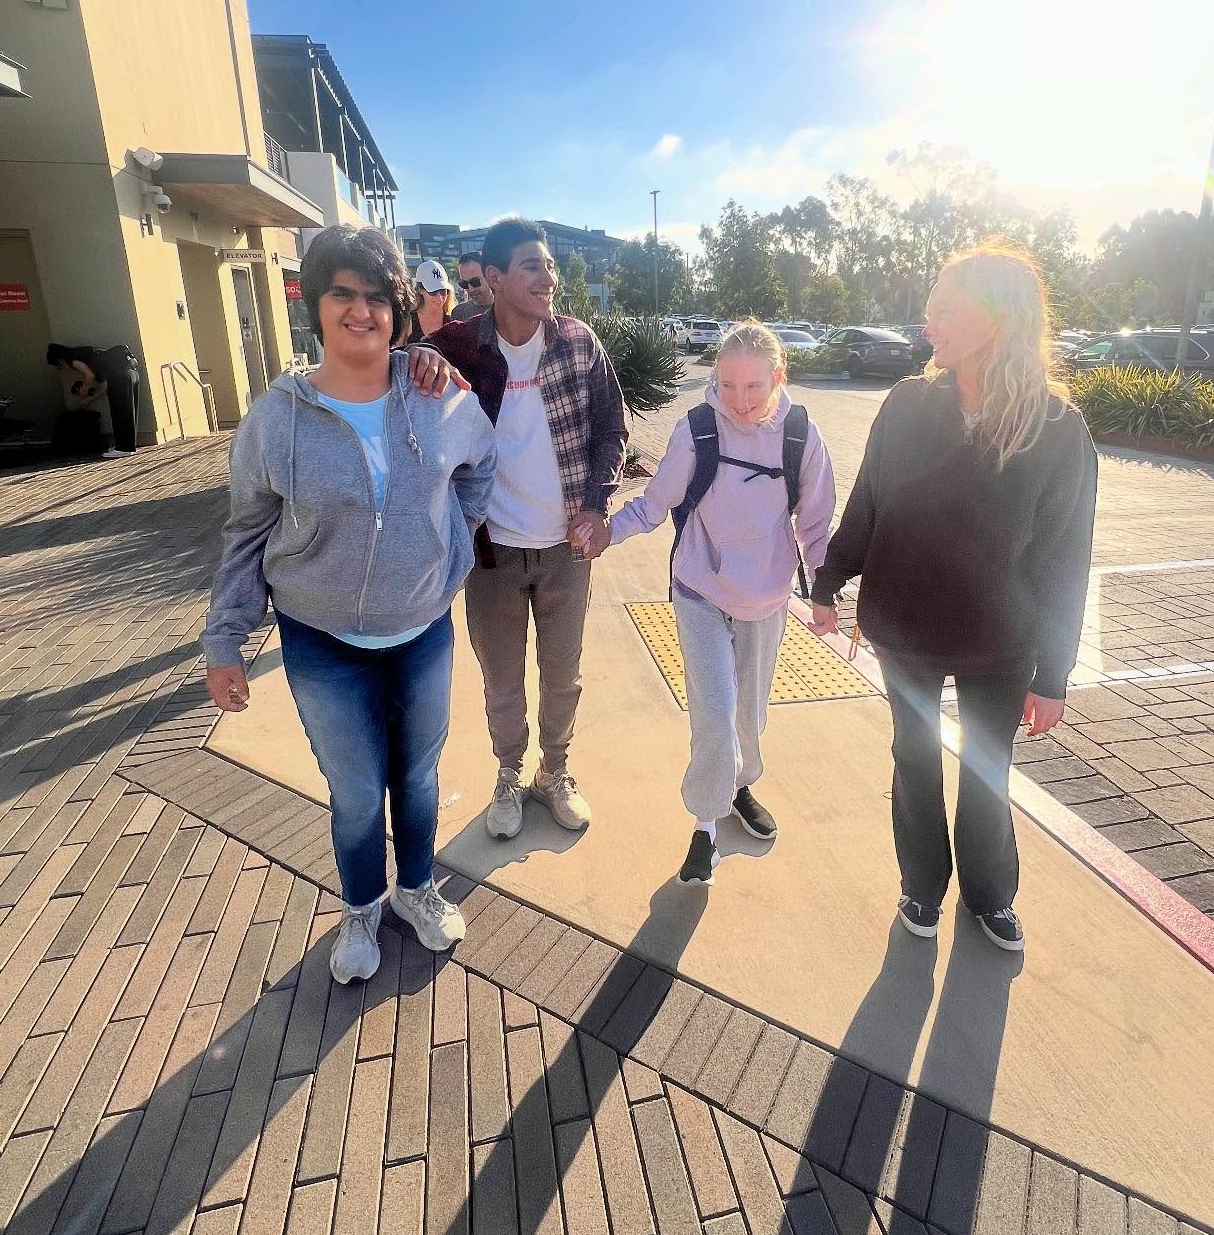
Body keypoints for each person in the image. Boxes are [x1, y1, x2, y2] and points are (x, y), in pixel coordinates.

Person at [203, 224, 497, 983]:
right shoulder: (278, 415)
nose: (359, 310)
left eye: (376, 296)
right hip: (322, 637)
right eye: (342, 292)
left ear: (398, 310)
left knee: (420, 776)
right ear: (317, 302)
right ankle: (362, 905)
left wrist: (449, 543)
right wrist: (225, 639)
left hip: (422, 625)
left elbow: (481, 467)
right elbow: (247, 527)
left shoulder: (440, 395)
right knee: (358, 789)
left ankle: (417, 891)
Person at [811, 246, 1096, 952]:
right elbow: (869, 501)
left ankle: (991, 895)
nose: (927, 322)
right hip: (904, 627)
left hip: (1001, 641)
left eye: (945, 309)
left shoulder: (1058, 429)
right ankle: (922, 885)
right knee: (914, 758)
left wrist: (1053, 677)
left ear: (998, 321)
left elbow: (1067, 561)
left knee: (986, 770)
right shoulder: (909, 403)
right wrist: (828, 580)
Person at [585, 322, 835, 885]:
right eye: (727, 386)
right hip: (700, 589)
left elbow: (815, 526)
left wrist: (823, 591)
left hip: (767, 598)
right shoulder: (697, 430)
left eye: (753, 387)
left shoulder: (800, 435)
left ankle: (741, 785)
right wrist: (605, 532)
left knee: (750, 715)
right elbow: (653, 505)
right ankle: (706, 828)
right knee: (715, 716)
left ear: (778, 376)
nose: (739, 401)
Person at [417, 216, 628, 838]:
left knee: (564, 678)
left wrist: (595, 503)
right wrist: (419, 358)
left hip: (566, 551)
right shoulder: (462, 347)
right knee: (502, 682)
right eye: (533, 266)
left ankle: (554, 772)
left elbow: (612, 431)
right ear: (495, 278)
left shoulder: (578, 342)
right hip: (492, 556)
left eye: (551, 266)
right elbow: (402, 365)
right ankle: (508, 776)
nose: (548, 277)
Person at [45, 341, 142, 456]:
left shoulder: (72, 359)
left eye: (59, 367)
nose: (61, 369)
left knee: (120, 412)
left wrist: (84, 390)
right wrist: (88, 400)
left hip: (119, 376)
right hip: (131, 373)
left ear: (60, 360)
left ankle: (123, 449)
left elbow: (89, 375)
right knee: (128, 411)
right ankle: (127, 446)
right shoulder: (93, 355)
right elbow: (105, 386)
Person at [412, 259, 456, 339]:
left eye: (443, 291)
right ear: (420, 290)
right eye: (433, 291)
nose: (439, 297)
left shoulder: (454, 318)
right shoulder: (408, 321)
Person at [454, 251, 493, 321]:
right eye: (464, 284)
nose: (471, 289)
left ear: (489, 276)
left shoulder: (511, 309)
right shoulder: (459, 313)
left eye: (475, 282)